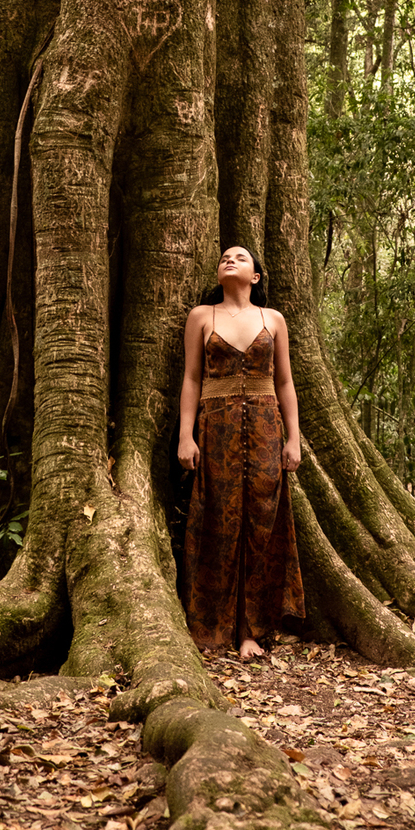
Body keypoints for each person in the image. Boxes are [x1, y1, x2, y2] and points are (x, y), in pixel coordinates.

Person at [177, 244, 305, 661]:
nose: (229, 260)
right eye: (224, 258)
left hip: (267, 428)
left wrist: (293, 438)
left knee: (262, 522)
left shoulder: (274, 319)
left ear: (256, 277)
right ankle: (213, 624)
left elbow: (284, 382)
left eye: (241, 258)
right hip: (216, 428)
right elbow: (192, 379)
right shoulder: (202, 315)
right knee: (218, 518)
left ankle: (253, 629)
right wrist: (185, 435)